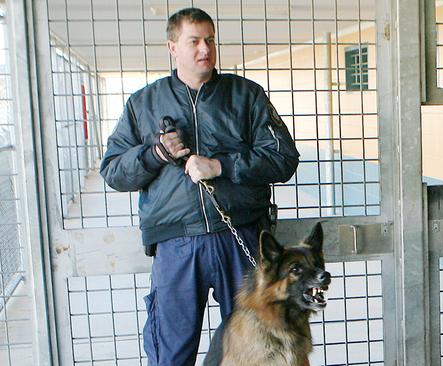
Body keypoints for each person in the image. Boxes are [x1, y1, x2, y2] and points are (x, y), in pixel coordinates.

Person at [99, 7, 299, 366]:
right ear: (173, 47)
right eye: (194, 41)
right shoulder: (143, 103)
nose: (205, 49)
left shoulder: (245, 96)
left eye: (210, 39)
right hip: (176, 244)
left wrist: (222, 166)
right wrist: (156, 153)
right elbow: (113, 171)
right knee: (171, 352)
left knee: (253, 347)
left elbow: (283, 158)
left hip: (239, 237)